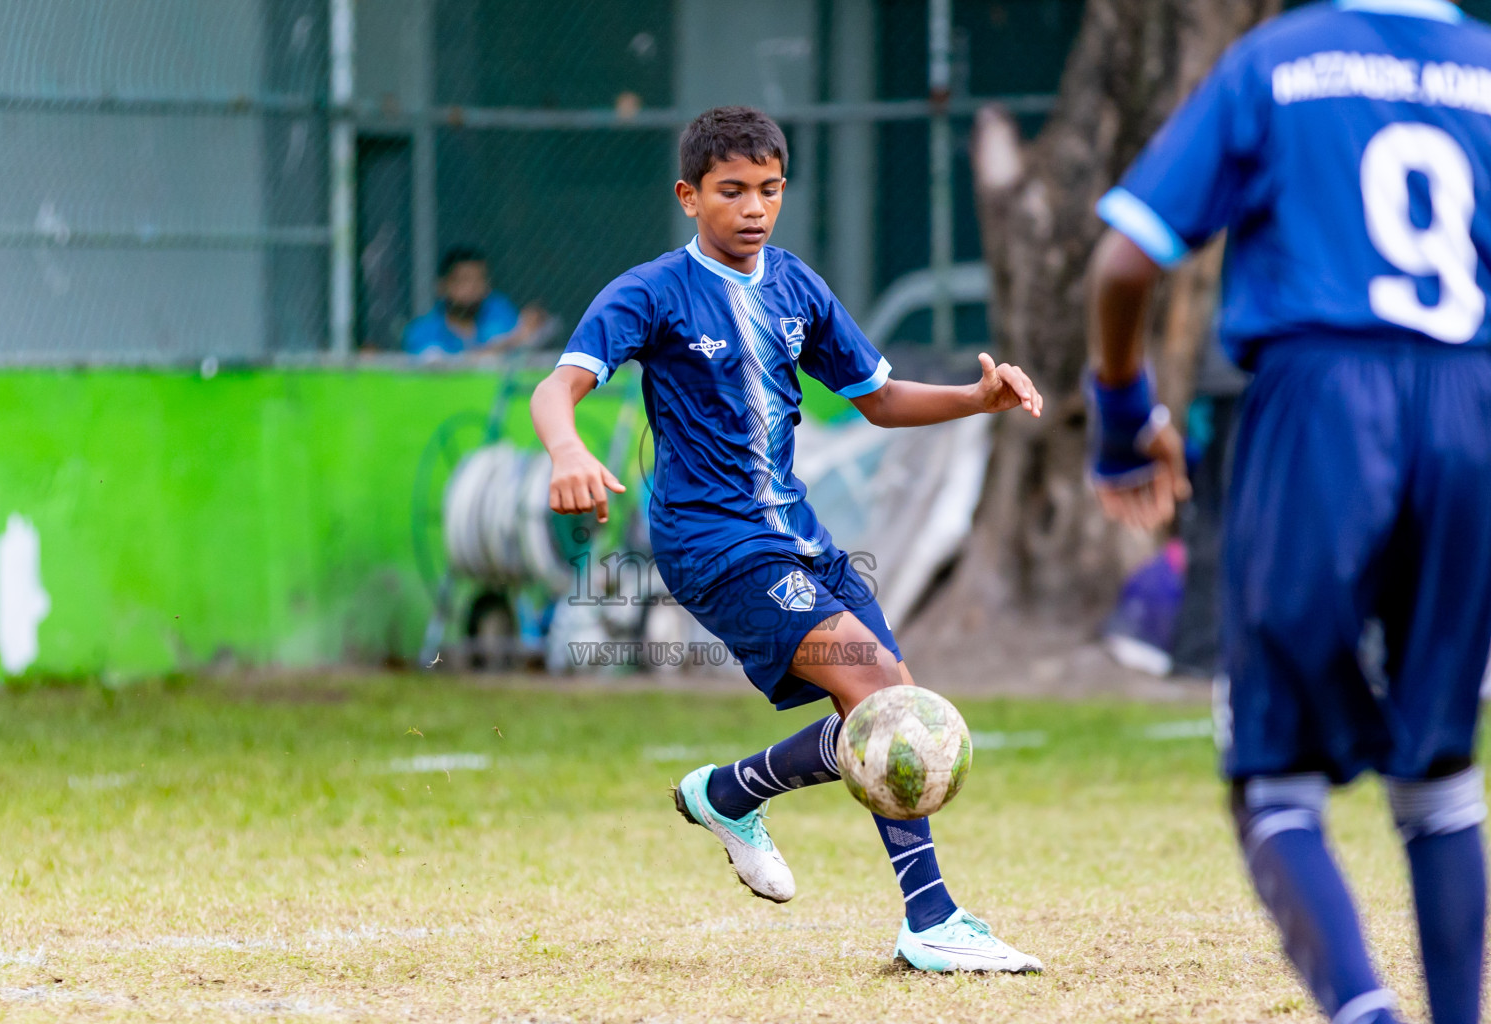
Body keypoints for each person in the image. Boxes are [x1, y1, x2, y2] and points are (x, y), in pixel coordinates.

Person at [529, 106, 1045, 973]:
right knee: (881, 689)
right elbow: (560, 384)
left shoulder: (797, 286)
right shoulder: (653, 291)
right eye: (731, 191)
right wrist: (567, 447)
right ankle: (934, 920)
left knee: (892, 710)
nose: (754, 208)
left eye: (769, 189)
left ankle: (731, 795)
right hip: (712, 545)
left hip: (798, 537)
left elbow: (877, 398)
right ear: (689, 197)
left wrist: (974, 398)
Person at [1085, 3, 1491, 1023]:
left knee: (1270, 770)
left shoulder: (1278, 59)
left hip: (1321, 399)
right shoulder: (1485, 66)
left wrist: (1123, 420)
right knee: (1440, 769)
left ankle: (1363, 1007)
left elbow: (1127, 258)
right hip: (1469, 404)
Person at [403, 247, 539, 358]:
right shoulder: (423, 330)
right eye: (464, 280)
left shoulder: (500, 312)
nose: (473, 287)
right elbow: (441, 370)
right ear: (442, 286)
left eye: (480, 279)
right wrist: (508, 343)